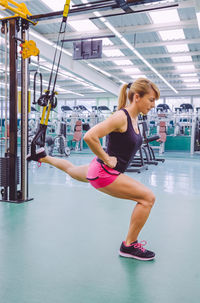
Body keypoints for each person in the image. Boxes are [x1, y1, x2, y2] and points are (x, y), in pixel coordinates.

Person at [27, 78, 160, 261]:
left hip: (97, 169)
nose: (153, 105)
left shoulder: (134, 118)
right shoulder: (122, 117)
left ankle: (41, 156)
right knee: (147, 198)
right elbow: (90, 136)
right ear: (137, 97)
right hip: (105, 172)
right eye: (151, 100)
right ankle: (129, 245)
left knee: (72, 169)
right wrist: (107, 158)